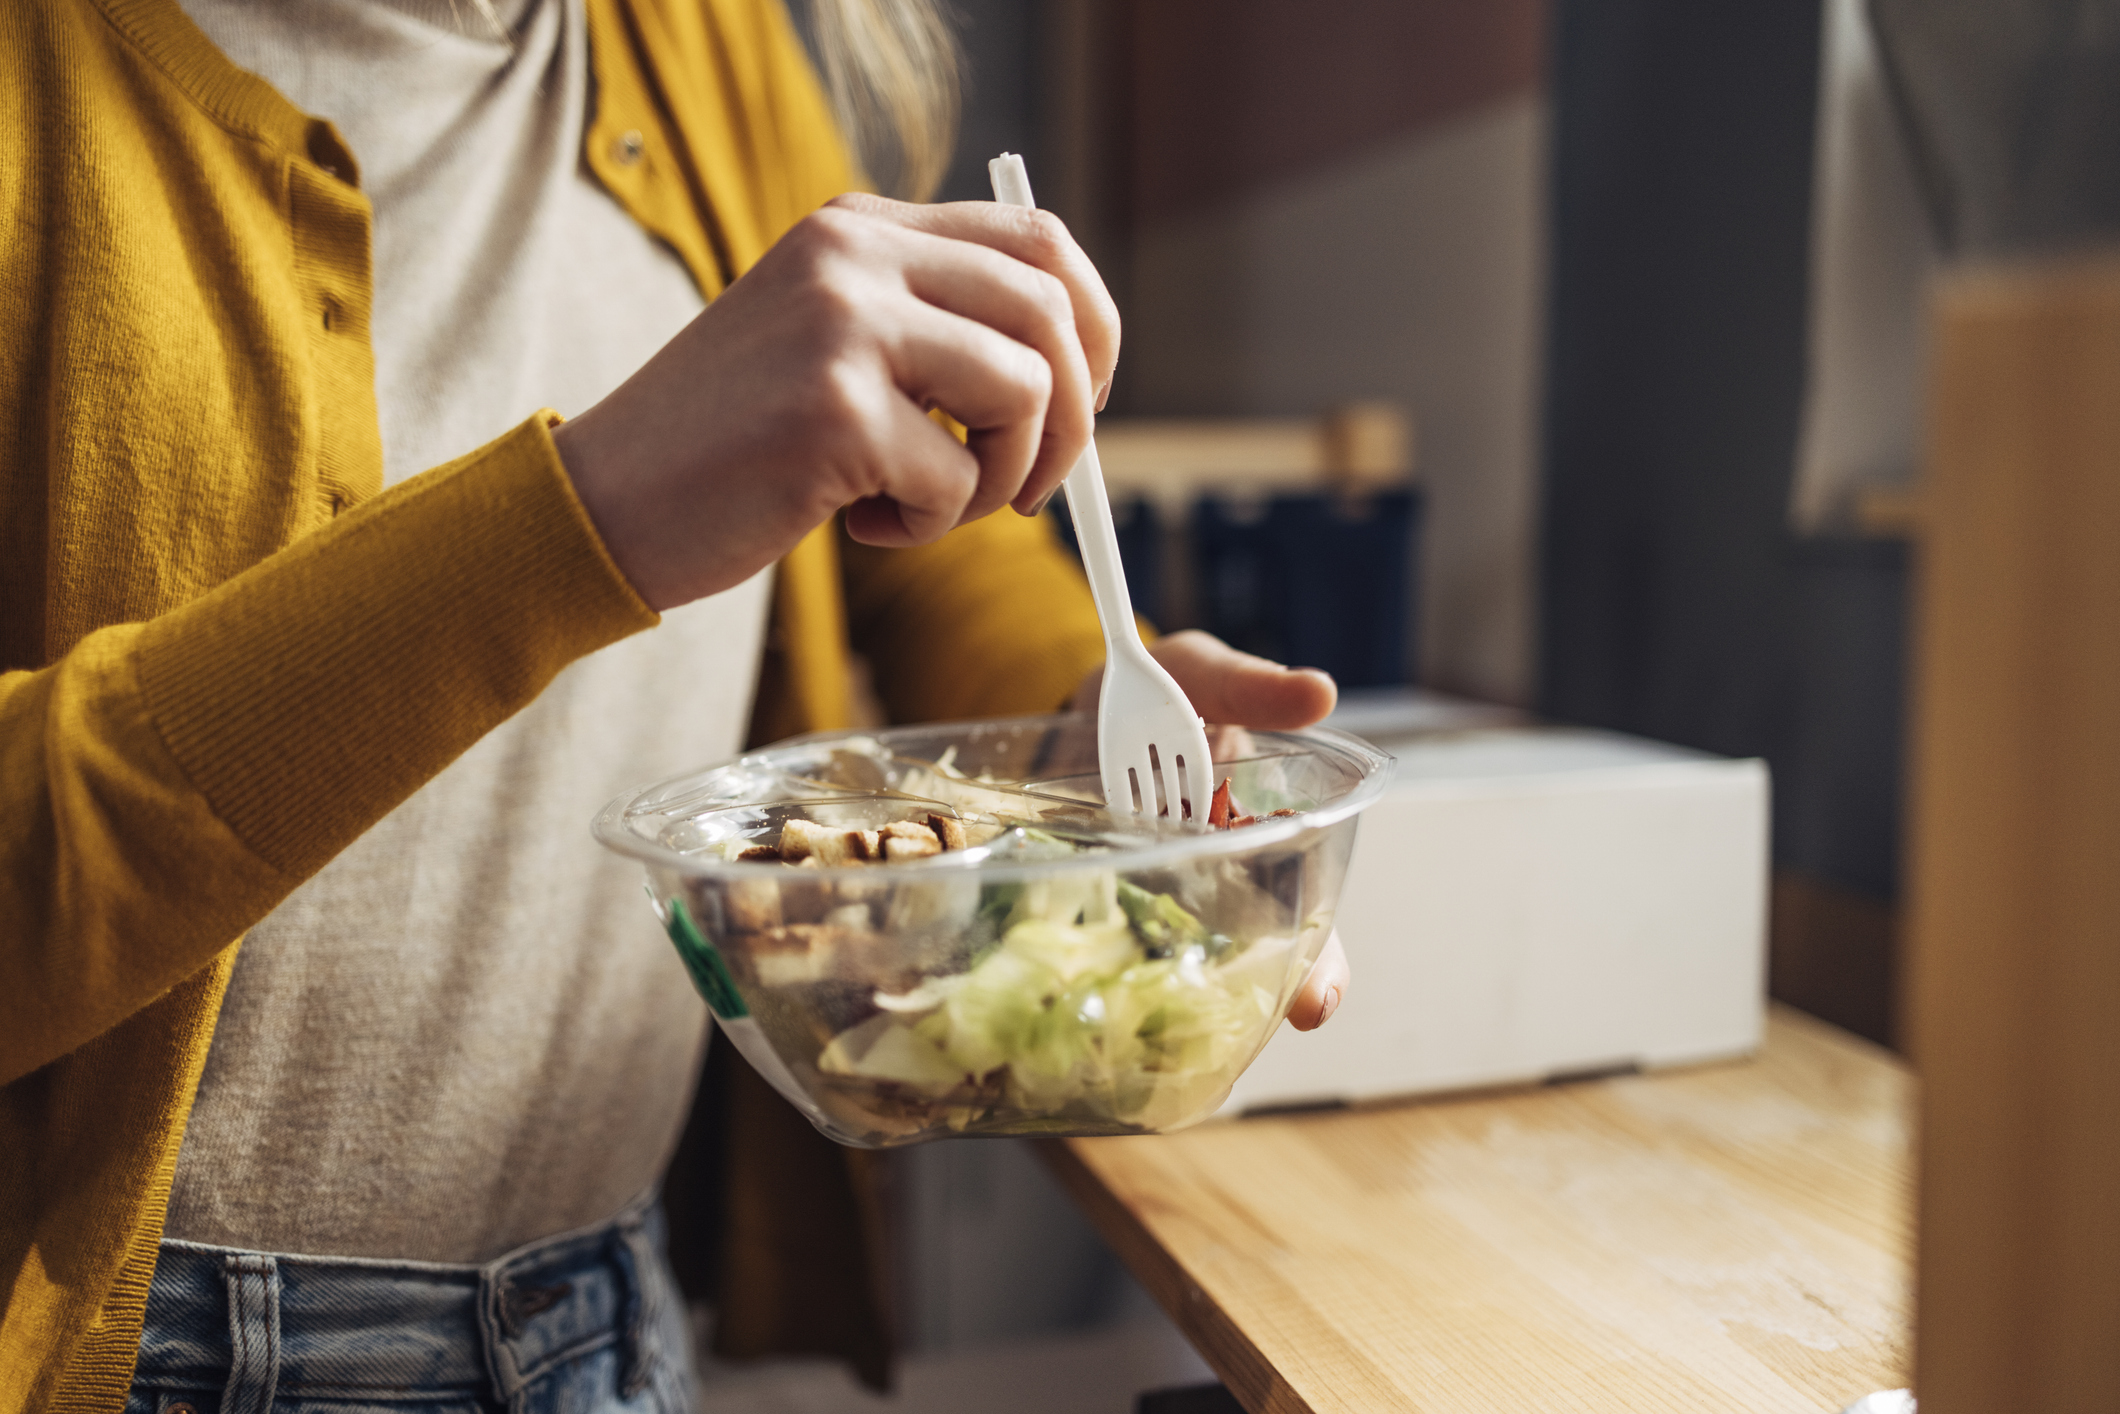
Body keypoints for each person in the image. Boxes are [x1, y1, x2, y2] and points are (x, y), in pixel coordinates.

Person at [0, 0, 1351, 1408]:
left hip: (602, 1314)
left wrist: (1071, 717)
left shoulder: (697, 40)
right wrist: (590, 514)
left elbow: (913, 551)